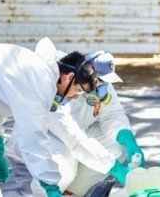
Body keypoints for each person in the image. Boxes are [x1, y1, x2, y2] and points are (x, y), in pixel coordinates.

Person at [0, 37, 97, 197]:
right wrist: (51, 185)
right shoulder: (40, 81)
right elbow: (33, 137)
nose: (75, 97)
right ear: (69, 77)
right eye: (79, 90)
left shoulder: (37, 72)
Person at [10, 50, 145, 196]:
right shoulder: (61, 86)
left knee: (118, 145)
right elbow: (74, 137)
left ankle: (72, 192)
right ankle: (46, 194)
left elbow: (112, 113)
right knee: (64, 162)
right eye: (98, 80)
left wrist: (126, 136)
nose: (101, 87)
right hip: (48, 134)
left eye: (104, 82)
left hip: (78, 134)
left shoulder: (102, 84)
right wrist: (115, 168)